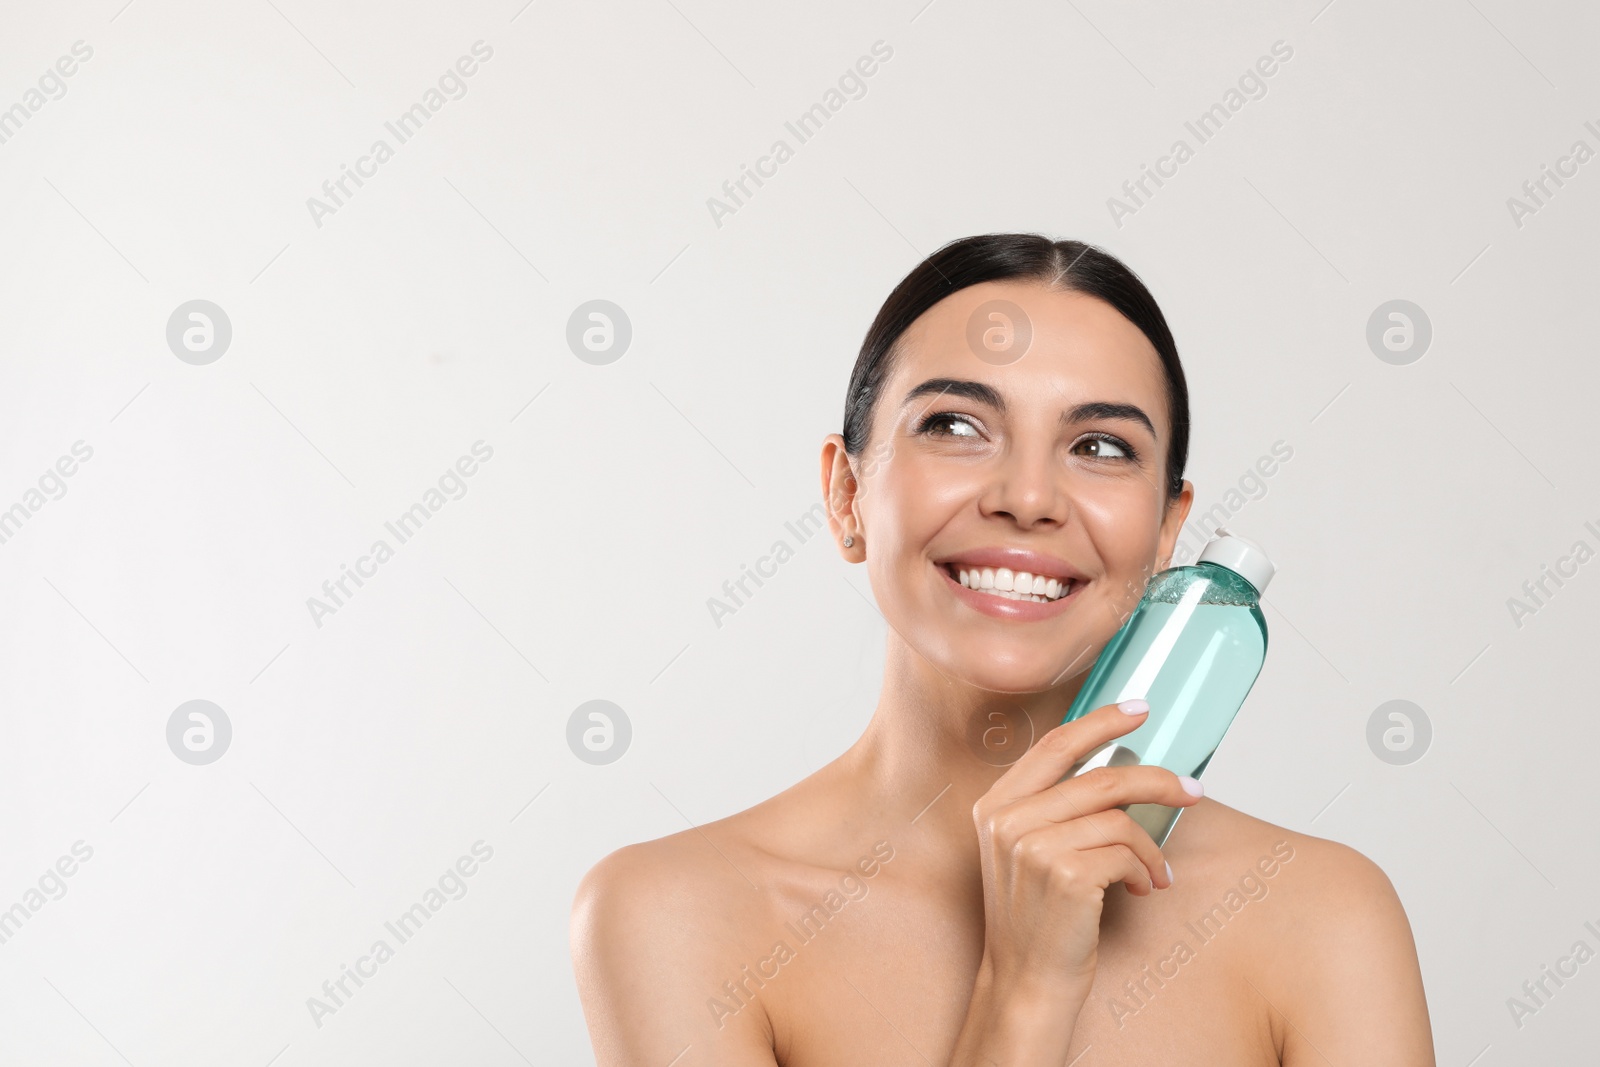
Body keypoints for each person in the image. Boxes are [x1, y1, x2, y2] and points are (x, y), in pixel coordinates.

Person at [571, 233, 1435, 1065]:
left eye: (1101, 446)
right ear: (845, 495)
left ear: (1168, 532)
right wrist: (1025, 989)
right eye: (954, 425)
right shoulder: (673, 916)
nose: (1028, 497)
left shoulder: (1321, 916)